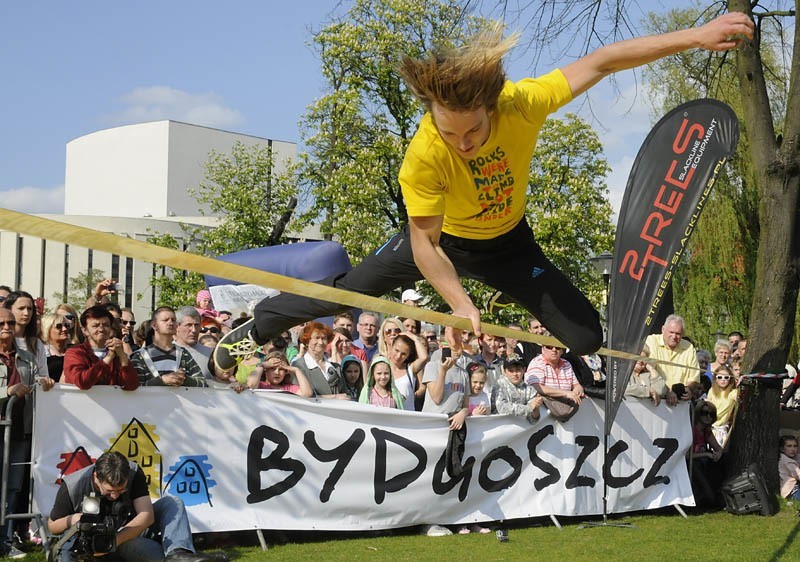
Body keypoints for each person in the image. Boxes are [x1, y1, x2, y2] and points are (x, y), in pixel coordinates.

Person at [211, 12, 754, 373]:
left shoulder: (522, 102)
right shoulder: (423, 154)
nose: (464, 144)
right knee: (348, 291)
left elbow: (604, 60)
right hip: (445, 244)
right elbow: (425, 247)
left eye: (474, 130)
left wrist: (695, 36)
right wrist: (459, 302)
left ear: (492, 107)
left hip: (510, 245)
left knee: (587, 335)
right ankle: (254, 327)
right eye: (451, 133)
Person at [47, 451, 226, 562]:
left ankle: (179, 553)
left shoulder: (133, 472)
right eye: (109, 491)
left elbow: (147, 515)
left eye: (121, 489)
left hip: (126, 538)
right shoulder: (72, 485)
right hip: (92, 547)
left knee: (173, 502)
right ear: (96, 477)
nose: (115, 495)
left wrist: (115, 540)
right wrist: (76, 519)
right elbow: (52, 526)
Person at [0, 307, 55, 559]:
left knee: (13, 487)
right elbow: (11, 390)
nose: (7, 327)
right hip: (4, 425)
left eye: (10, 323)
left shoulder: (28, 356)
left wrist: (44, 384)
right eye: (1, 323)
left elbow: (37, 383)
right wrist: (7, 392)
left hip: (20, 430)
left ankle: (6, 539)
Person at [62, 306, 139, 390]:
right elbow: (82, 382)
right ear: (85, 330)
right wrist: (108, 358)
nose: (101, 329)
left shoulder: (117, 354)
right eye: (95, 326)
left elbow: (132, 385)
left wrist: (123, 356)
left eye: (106, 325)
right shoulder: (75, 353)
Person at [131, 307, 207, 388]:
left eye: (173, 320)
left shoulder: (183, 354)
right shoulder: (140, 356)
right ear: (154, 325)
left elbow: (202, 383)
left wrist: (184, 379)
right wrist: (162, 380)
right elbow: (135, 388)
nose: (170, 323)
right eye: (165, 320)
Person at [525, 339, 584, 422]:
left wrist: (578, 391)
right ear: (542, 349)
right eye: (549, 347)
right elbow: (536, 387)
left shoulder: (567, 364)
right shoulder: (537, 362)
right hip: (544, 419)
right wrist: (566, 393)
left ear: (562, 350)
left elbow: (576, 385)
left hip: (565, 412)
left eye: (557, 347)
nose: (554, 350)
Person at [644, 314, 700, 398]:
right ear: (663, 329)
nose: (674, 337)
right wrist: (667, 392)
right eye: (671, 332)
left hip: (680, 402)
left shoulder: (689, 348)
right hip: (655, 399)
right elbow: (646, 370)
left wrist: (689, 389)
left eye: (678, 334)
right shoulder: (650, 342)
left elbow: (694, 378)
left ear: (683, 334)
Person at [292, 322, 348, 398]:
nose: (321, 342)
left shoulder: (336, 367)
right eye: (317, 338)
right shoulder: (298, 365)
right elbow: (299, 396)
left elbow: (345, 394)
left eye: (324, 338)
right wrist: (333, 397)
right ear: (307, 341)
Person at [3, 290, 49, 379]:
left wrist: (44, 381)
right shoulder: (3, 339)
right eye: (21, 308)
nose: (26, 313)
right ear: (9, 309)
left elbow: (43, 375)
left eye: (30, 309)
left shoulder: (37, 343)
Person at [234, 351, 313, 397]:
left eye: (281, 369)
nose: (277, 372)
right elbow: (251, 385)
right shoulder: (260, 385)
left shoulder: (290, 388)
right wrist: (261, 365)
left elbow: (307, 393)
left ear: (286, 372)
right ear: (265, 370)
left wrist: (296, 370)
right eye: (272, 368)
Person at [386, 333, 428, 411]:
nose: (398, 356)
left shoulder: (410, 369)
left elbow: (424, 357)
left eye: (403, 354)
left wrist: (414, 338)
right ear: (391, 346)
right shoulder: (382, 366)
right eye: (396, 350)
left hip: (407, 418)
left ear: (408, 355)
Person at [494, 354, 542, 424]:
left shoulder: (530, 389)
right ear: (504, 371)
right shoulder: (499, 386)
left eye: (518, 370)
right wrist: (529, 408)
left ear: (524, 370)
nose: (515, 374)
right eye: (511, 371)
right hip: (501, 428)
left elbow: (533, 420)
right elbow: (502, 408)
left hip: (521, 432)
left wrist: (536, 407)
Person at [174, 306, 214, 380]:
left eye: (197, 325)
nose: (194, 330)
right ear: (177, 326)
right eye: (189, 325)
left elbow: (222, 381)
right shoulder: (165, 353)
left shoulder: (211, 354)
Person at [706, 364, 738, 447]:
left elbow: (739, 397)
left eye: (726, 377)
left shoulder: (733, 392)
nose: (723, 380)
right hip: (707, 427)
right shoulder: (711, 390)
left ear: (730, 379)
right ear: (715, 379)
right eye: (720, 377)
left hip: (720, 430)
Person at [41, 312, 73, 382]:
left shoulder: (74, 350)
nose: (64, 329)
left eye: (66, 325)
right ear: (47, 329)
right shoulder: (41, 352)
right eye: (59, 326)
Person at [779, 435, 800, 500]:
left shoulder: (790, 457)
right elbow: (798, 475)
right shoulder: (788, 462)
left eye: (795, 446)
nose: (793, 449)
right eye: (789, 446)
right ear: (782, 449)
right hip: (792, 491)